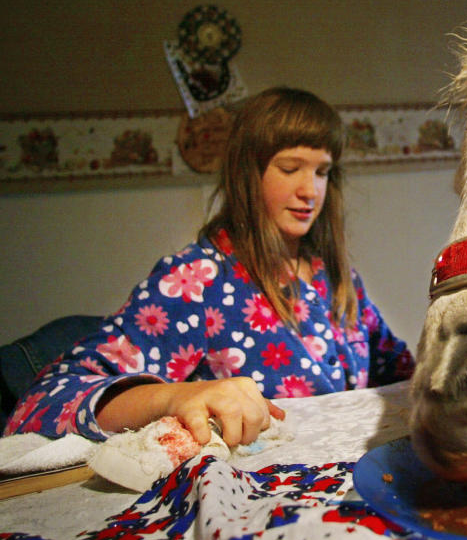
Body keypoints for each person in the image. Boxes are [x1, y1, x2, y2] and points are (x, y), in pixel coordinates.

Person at [3, 88, 414, 447]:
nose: (310, 191)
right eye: (290, 169)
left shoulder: (334, 277)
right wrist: (177, 397)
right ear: (247, 174)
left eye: (322, 172)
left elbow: (403, 373)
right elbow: (46, 402)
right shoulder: (197, 281)